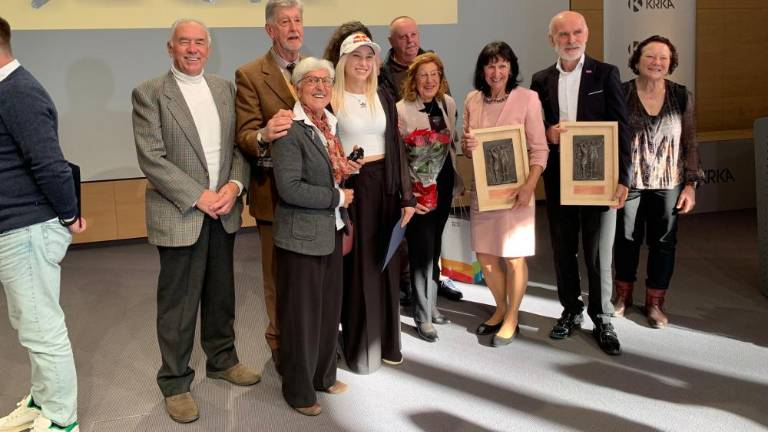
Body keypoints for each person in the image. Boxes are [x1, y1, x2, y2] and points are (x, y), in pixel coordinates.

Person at [131, 19, 259, 423]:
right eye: (183, 42)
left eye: (199, 42)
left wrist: (235, 186)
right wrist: (198, 196)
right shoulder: (150, 93)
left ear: (209, 47)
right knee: (179, 304)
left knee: (222, 294)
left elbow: (239, 147)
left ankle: (222, 360)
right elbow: (152, 157)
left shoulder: (224, 89)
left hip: (224, 210)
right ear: (170, 48)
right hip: (181, 212)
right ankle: (175, 381)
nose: (192, 49)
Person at [0, 15, 86, 432]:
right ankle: (42, 400)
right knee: (29, 323)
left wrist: (70, 215)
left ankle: (60, 418)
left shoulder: (18, 92)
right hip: (17, 229)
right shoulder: (7, 92)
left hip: (28, 229)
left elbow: (50, 164)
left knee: (41, 327)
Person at [530, 11, 632, 356]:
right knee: (562, 249)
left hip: (599, 180)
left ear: (586, 35)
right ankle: (571, 309)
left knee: (598, 252)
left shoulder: (606, 73)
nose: (571, 40)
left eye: (576, 33)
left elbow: (622, 129)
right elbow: (534, 129)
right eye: (563, 35)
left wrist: (624, 178)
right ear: (552, 39)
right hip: (559, 180)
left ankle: (603, 317)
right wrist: (546, 132)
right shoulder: (540, 80)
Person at [272, 57, 361, 416]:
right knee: (301, 319)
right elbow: (290, 188)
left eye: (326, 80)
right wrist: (337, 196)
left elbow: (326, 173)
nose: (321, 87)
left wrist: (344, 174)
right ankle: (298, 390)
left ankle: (324, 376)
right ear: (297, 88)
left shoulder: (328, 124)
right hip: (301, 238)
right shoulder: (289, 129)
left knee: (327, 312)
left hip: (330, 231)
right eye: (312, 81)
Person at [333, 32, 416, 373]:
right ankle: (359, 348)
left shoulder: (383, 95)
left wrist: (407, 196)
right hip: (354, 189)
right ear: (343, 62)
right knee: (358, 269)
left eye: (369, 58)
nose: (363, 64)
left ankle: (386, 343)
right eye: (356, 57)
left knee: (386, 266)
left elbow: (396, 148)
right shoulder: (331, 98)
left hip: (386, 188)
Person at [461, 42, 548, 347]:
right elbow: (467, 146)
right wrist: (467, 146)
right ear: (482, 70)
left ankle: (512, 315)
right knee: (485, 258)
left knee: (513, 258)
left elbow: (540, 148)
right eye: (490, 65)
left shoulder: (528, 99)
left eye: (502, 65)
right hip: (484, 192)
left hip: (517, 193)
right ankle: (500, 307)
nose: (496, 72)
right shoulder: (473, 100)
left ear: (511, 68)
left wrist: (529, 186)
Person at [612, 35, 702, 328]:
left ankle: (655, 303)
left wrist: (691, 184)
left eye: (663, 58)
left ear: (671, 63)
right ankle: (622, 296)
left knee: (664, 243)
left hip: (669, 181)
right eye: (650, 56)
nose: (657, 62)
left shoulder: (681, 95)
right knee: (626, 240)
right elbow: (608, 137)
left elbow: (690, 141)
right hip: (629, 181)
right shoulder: (621, 93)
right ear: (637, 60)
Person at [235, 0, 304, 370]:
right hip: (273, 195)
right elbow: (244, 135)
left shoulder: (316, 72)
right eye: (284, 22)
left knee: (309, 273)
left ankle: (308, 336)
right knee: (277, 275)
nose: (293, 28)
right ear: (270, 30)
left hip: (314, 197)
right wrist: (263, 133)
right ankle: (280, 343)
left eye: (297, 21)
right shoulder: (249, 74)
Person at [382, 15, 463, 304]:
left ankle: (431, 285)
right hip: (411, 180)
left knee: (433, 239)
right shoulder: (384, 77)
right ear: (392, 42)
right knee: (415, 241)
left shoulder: (445, 97)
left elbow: (451, 130)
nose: (410, 41)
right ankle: (414, 293)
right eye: (402, 37)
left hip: (443, 177)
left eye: (414, 34)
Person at [396, 52, 463, 342]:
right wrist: (410, 193)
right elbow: (400, 157)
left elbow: (451, 143)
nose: (429, 80)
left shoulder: (447, 103)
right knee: (421, 249)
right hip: (418, 189)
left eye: (434, 75)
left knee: (435, 247)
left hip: (444, 182)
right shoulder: (401, 109)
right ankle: (423, 315)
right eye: (423, 75)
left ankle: (431, 305)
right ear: (413, 79)